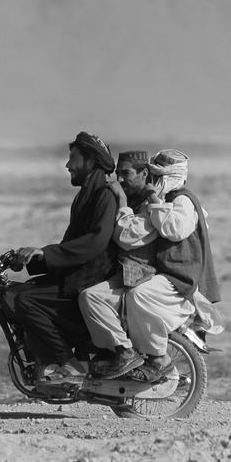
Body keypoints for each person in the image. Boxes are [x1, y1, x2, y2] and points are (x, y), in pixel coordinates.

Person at [82, 149, 223, 383]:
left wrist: (139, 201)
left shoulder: (181, 201)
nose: (153, 182)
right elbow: (129, 233)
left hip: (178, 279)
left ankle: (159, 360)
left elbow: (169, 230)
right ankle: (121, 352)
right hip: (156, 276)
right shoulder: (160, 202)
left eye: (156, 177)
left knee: (139, 296)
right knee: (90, 297)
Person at [2, 131, 119, 388]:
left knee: (26, 301)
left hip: (89, 280)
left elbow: (94, 244)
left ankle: (68, 363)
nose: (67, 165)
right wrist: (32, 261)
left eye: (73, 159)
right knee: (14, 292)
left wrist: (47, 252)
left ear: (90, 161)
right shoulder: (84, 196)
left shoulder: (105, 196)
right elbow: (68, 246)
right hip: (75, 277)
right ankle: (43, 361)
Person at [77, 150, 155, 379]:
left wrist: (121, 200)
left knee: (89, 297)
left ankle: (124, 350)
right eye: (118, 173)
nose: (120, 179)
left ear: (144, 173)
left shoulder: (149, 202)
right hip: (124, 271)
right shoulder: (135, 198)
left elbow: (127, 237)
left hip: (140, 273)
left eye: (127, 173)